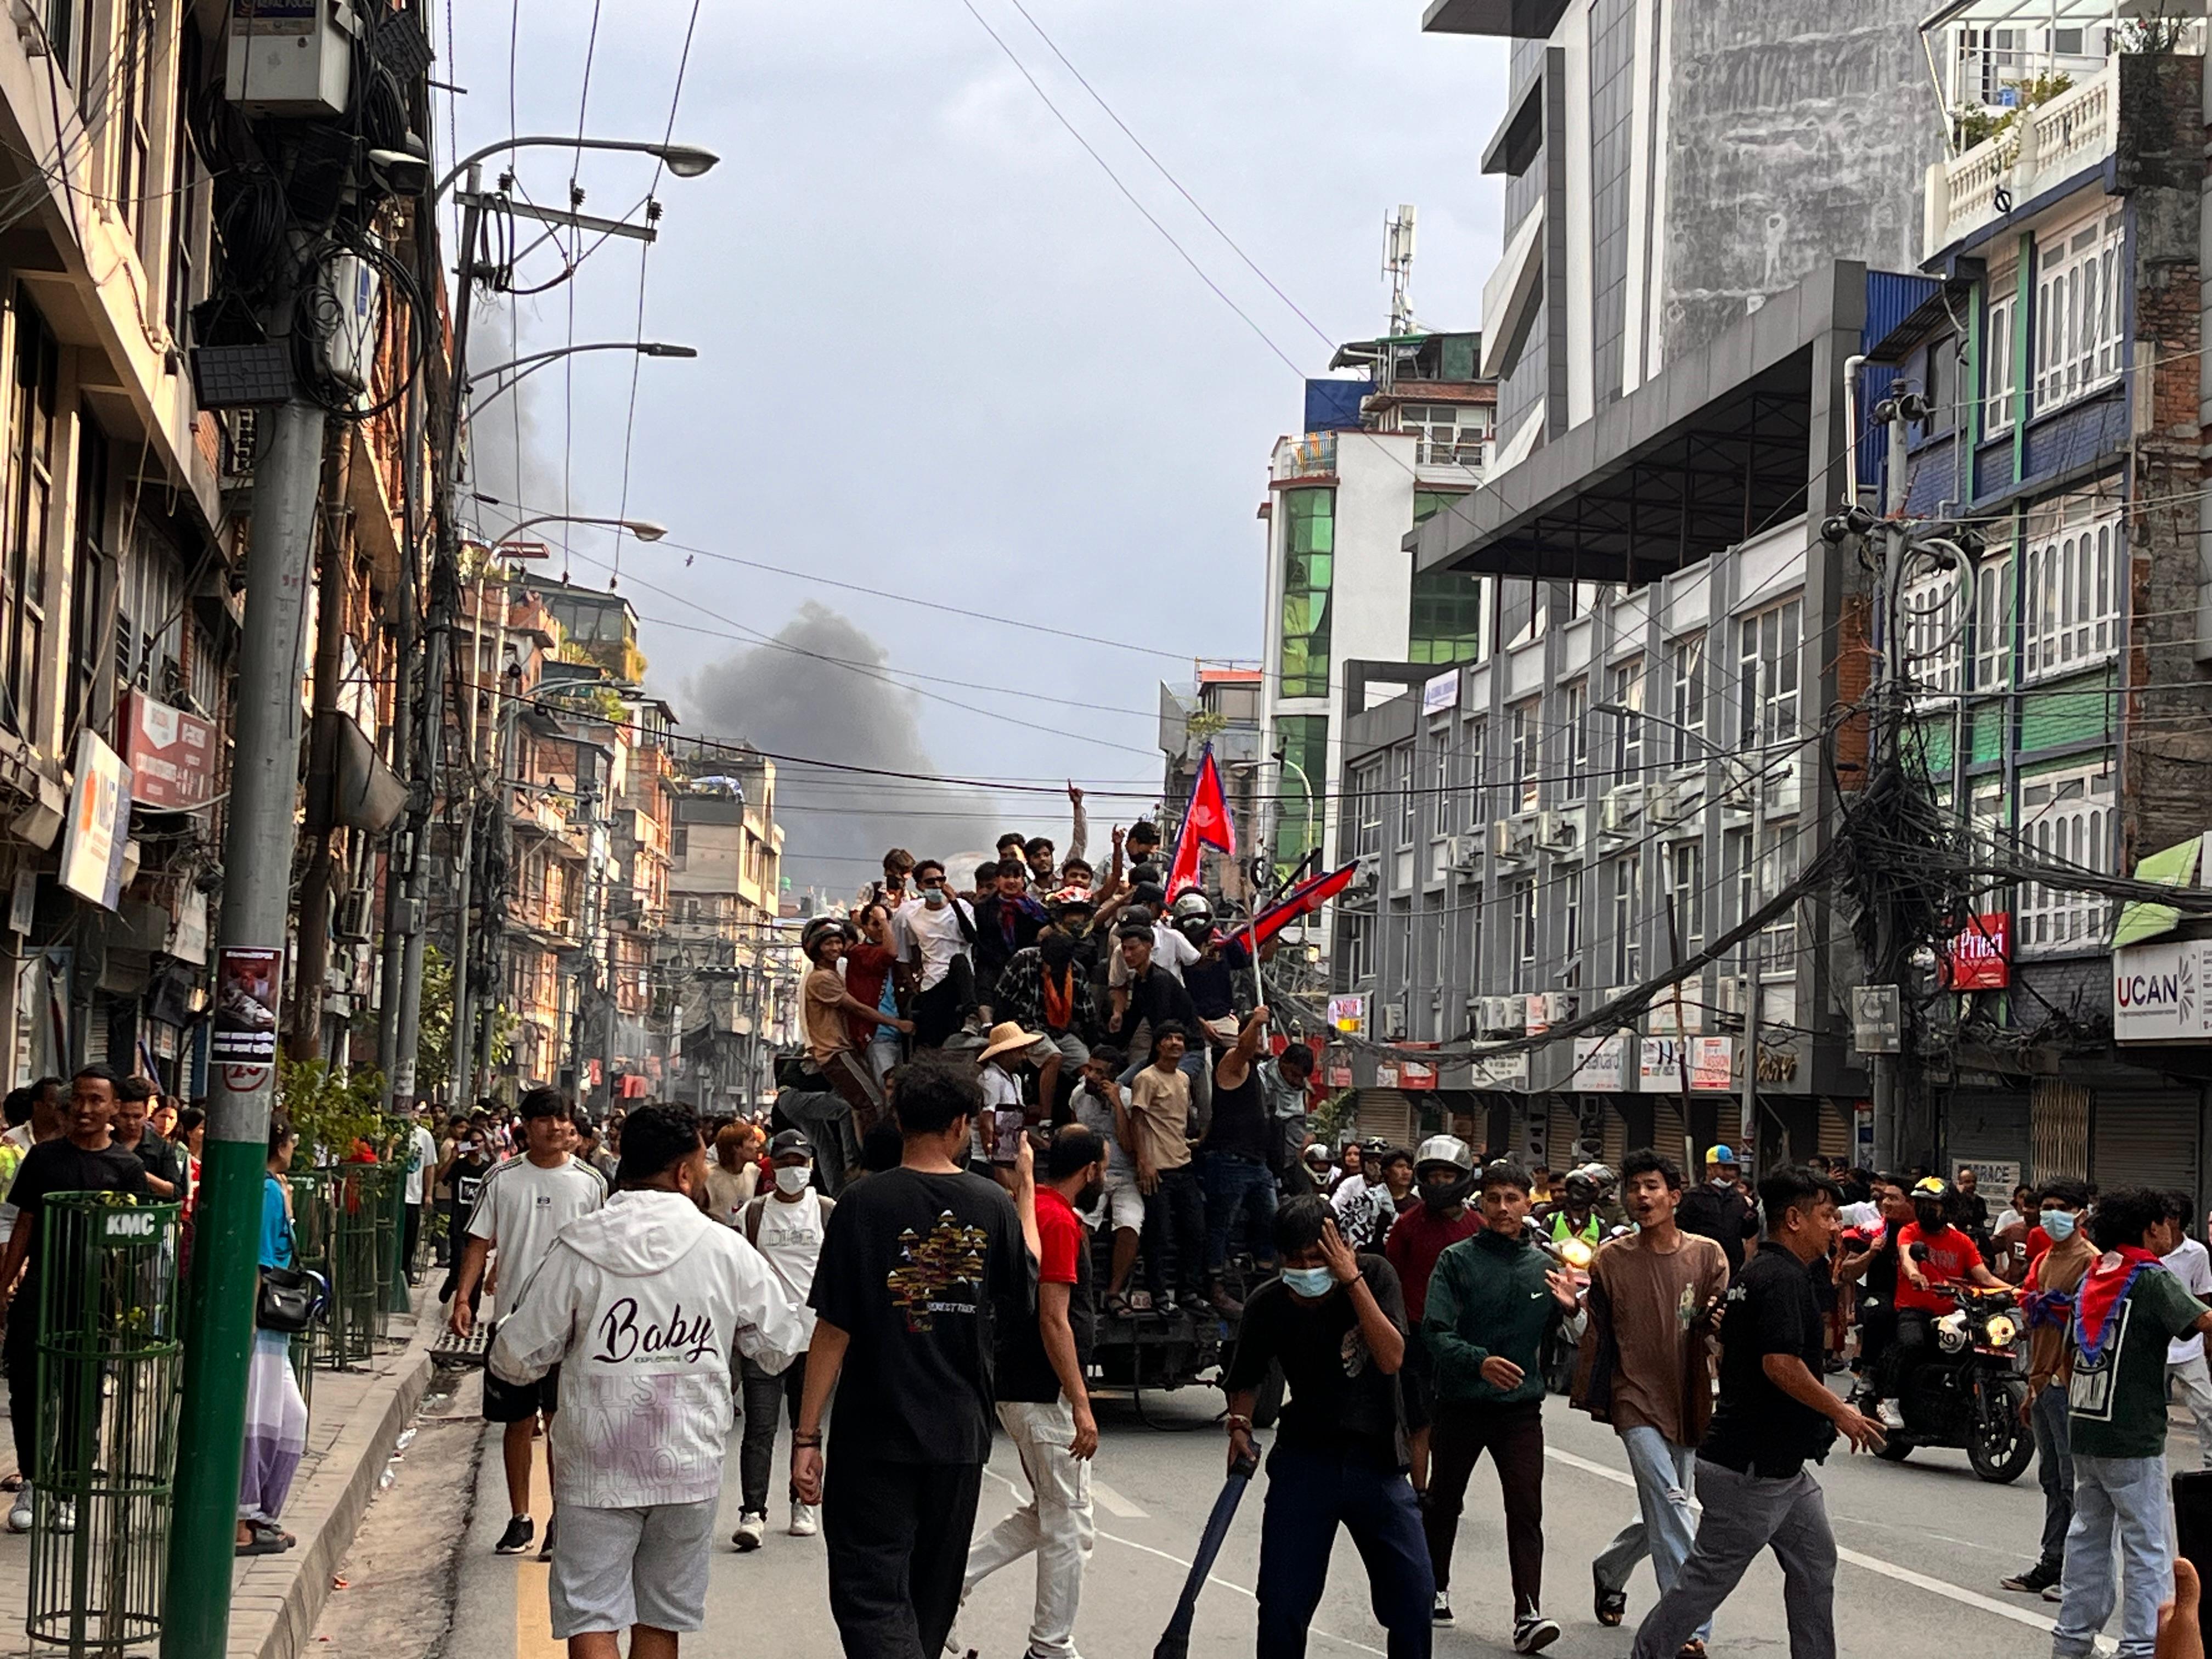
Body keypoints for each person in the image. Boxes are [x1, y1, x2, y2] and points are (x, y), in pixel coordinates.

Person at [488, 1102, 808, 1659]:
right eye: (702, 1166)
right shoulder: (724, 1249)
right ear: (684, 1173)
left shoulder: (578, 1245)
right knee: (660, 1618)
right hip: (688, 1463)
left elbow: (515, 1358)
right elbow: (780, 1344)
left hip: (596, 1464)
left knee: (591, 1613)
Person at [791, 1052, 1040, 1659]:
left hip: (873, 1434)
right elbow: (1027, 1284)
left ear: (899, 1120)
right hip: (958, 1435)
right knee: (931, 1596)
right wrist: (1027, 1192)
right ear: (960, 1125)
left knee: (870, 1594)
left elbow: (833, 1329)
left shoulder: (861, 1203)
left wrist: (806, 1436)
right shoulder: (992, 1204)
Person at [1628, 1167, 1884, 1659]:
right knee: (1706, 1580)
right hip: (1749, 1470)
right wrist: (1842, 1412)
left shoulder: (1764, 1273)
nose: (1836, 1227)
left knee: (1815, 1562)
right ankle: (1650, 1652)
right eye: (1827, 1216)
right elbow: (1779, 1364)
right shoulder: (1780, 1278)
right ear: (1794, 1220)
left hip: (1782, 1470)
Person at [1222, 1195, 1430, 1659]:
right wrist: (1239, 1424)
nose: (1307, 1270)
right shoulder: (1268, 1303)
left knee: (1414, 1599)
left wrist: (1350, 1279)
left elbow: (1391, 1357)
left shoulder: (1375, 1276)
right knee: (1281, 1604)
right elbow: (1245, 1377)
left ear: (1342, 1247)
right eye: (1295, 1261)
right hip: (1304, 1462)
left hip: (1377, 1464)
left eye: (1317, 1259)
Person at [950, 1125, 1103, 1659]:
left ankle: (949, 1585)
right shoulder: (1056, 1220)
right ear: (1091, 1171)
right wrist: (1081, 1403)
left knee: (1048, 1511)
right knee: (1070, 1523)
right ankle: (1049, 1646)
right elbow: (1054, 1319)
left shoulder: (1034, 1209)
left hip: (1021, 1386)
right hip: (1043, 1390)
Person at [1422, 1159, 1581, 1647]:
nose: (1503, 1208)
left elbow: (1576, 1334)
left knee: (1526, 1509)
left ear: (1528, 1203)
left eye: (1513, 1198)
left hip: (1519, 1412)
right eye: (1494, 1199)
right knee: (1444, 1500)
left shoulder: (1544, 1266)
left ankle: (1527, 1613)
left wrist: (1572, 1309)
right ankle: (1433, 1588)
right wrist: (1479, 1362)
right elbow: (1435, 1332)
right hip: (1460, 1404)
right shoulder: (1456, 1261)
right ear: (1481, 1204)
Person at [1576, 1149, 1729, 1652]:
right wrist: (1569, 1311)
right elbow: (1592, 1328)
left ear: (1674, 1196)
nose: (1641, 1196)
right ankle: (1689, 1627)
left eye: (1652, 1187)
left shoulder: (1708, 1256)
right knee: (1669, 1501)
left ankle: (1611, 1568)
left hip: (1687, 1396)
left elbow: (1719, 1326)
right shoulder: (1610, 1260)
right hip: (1633, 1397)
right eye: (1634, 1188)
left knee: (1667, 1505)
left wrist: (1720, 1327)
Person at [2051, 1186, 2212, 1659]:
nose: (2169, 1233)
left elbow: (2068, 1352)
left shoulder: (2094, 1274)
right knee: (2147, 1545)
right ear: (2150, 1228)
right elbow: (2202, 1321)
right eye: (2164, 1224)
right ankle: (2141, 1646)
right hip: (2132, 1432)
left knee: (2088, 1536)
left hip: (2087, 1426)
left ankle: (2072, 1640)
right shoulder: (2150, 1277)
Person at [450, 1086, 610, 1559]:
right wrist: (464, 1299)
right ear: (527, 1126)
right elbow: (479, 1241)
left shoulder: (591, 1182)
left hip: (572, 1325)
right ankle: (520, 1518)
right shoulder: (502, 1178)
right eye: (545, 1119)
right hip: (514, 1324)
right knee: (517, 1423)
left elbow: (605, 1249)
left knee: (562, 1425)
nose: (555, 1127)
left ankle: (562, 1519)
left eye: (562, 1119)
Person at [0, 1065, 150, 1532]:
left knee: (81, 1395)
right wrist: (4, 1286)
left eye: (96, 1100)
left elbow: (136, 1241)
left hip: (94, 1300)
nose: (85, 1109)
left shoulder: (127, 1168)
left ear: (114, 1108)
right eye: (79, 1099)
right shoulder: (44, 1158)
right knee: (27, 1387)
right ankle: (33, 1479)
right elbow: (25, 1223)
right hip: (40, 1291)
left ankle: (68, 1489)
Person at [730, 1130, 835, 1550]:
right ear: (773, 1166)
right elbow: (738, 1272)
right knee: (759, 1429)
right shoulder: (753, 1214)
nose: (794, 1170)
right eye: (786, 1162)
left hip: (814, 1340)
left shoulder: (826, 1212)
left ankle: (802, 1503)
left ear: (811, 1166)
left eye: (800, 1163)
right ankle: (752, 1513)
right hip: (766, 1338)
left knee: (806, 1428)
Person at [2003, 1179, 2094, 1598]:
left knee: (2073, 1483)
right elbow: (2034, 1322)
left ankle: (2074, 1573)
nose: (2051, 1214)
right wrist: (2032, 1385)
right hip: (2041, 1382)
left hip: (2068, 1384)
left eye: (2060, 1207)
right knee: (2052, 1480)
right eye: (2047, 1207)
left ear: (2081, 1213)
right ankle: (2051, 1563)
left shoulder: (2090, 1262)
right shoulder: (2043, 1260)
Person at [1385, 1135, 1482, 1499]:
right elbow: (1392, 1277)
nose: (1439, 1183)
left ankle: (1446, 1491)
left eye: (1447, 1175)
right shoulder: (1407, 1225)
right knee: (1419, 1419)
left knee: (1452, 1420)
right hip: (1415, 1334)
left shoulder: (1478, 1228)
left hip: (1461, 1339)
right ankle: (1421, 1492)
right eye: (1433, 1176)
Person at [238, 1118, 311, 1556]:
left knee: (291, 1418)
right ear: (280, 1144)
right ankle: (242, 1522)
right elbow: (260, 1260)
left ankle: (261, 1514)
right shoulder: (266, 1191)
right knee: (259, 1421)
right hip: (261, 1325)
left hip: (271, 1330)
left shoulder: (275, 1189)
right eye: (292, 1140)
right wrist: (250, 1323)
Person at [1881, 1175, 2005, 1427]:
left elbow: (1985, 1277)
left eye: (1933, 1205)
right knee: (1912, 1344)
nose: (1926, 1210)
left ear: (1948, 1208)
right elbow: (1907, 1258)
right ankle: (1889, 1400)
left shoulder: (1962, 1241)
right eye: (1922, 1205)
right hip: (1914, 1310)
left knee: (1983, 1347)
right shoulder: (1910, 1232)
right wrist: (1915, 1275)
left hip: (1953, 1313)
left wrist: (2018, 1292)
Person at [1198, 1006, 1279, 1317]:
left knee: (1270, 1220)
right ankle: (1215, 1285)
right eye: (1258, 1035)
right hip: (1230, 1161)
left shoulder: (1257, 1072)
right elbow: (1243, 1049)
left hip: (1257, 1163)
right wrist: (1256, 1021)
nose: (1262, 1042)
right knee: (1221, 1225)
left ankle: (1262, 1280)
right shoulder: (1232, 1062)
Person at [801, 917, 909, 1137]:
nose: (835, 948)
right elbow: (857, 1009)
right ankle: (875, 1153)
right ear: (816, 948)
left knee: (865, 1106)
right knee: (874, 1103)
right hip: (835, 1052)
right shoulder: (822, 979)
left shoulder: (834, 974)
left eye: (838, 942)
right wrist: (896, 1023)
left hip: (842, 1050)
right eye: (828, 944)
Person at [1129, 1020, 1205, 1318]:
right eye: (1169, 1038)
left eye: (1180, 1039)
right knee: (1158, 1235)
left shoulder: (1184, 1079)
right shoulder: (1146, 1078)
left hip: (1183, 1164)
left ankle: (1188, 1293)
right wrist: (1144, 1161)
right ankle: (1159, 1296)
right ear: (1158, 1044)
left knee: (1195, 1231)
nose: (1175, 1043)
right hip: (1157, 1170)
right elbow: (1137, 1120)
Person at [1069, 1046, 1144, 1317]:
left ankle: (1114, 1292)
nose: (1090, 1076)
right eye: (1090, 1069)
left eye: (1099, 1072)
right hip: (1092, 1173)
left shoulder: (1127, 1099)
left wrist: (1117, 1106)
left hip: (1124, 1174)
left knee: (1130, 1224)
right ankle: (1084, 1287)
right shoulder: (1079, 1095)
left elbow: (1129, 1145)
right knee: (1080, 1222)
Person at [994, 929, 1096, 1112]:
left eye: (1056, 966)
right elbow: (1003, 998)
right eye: (1048, 963)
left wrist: (1093, 1049)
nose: (1050, 969)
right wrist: (1004, 1037)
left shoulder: (1077, 973)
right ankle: (1045, 1118)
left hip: (1061, 1032)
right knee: (1053, 1057)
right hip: (1027, 1027)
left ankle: (1084, 1114)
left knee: (1088, 1066)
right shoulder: (1023, 960)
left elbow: (1087, 1016)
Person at [893, 859, 980, 1046]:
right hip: (933, 985)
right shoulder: (912, 914)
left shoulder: (962, 907)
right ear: (920, 886)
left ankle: (972, 1016)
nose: (937, 885)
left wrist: (954, 902)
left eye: (941, 880)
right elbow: (904, 955)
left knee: (959, 960)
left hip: (963, 982)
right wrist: (913, 985)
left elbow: (972, 938)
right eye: (930, 882)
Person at [2162, 1192, 2212, 1472]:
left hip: (2187, 1346)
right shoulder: (2147, 1251)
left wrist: (2207, 1338)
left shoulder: (2197, 1253)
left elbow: (2203, 1297)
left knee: (2207, 1407)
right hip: (2153, 1346)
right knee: (2149, 1413)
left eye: (2171, 1217)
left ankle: (2211, 1467)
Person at [1674, 1146, 1758, 1277]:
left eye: (1732, 1169)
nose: (1730, 1174)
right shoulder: (1693, 1197)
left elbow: (1747, 1232)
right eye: (1725, 1168)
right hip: (1700, 1270)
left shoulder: (1737, 1199)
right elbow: (1679, 1232)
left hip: (1731, 1270)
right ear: (1710, 1169)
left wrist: (1751, 1216)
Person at [977, 1020, 1040, 1187]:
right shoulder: (990, 1078)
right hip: (989, 1163)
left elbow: (1014, 1125)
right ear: (1004, 1053)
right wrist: (999, 1167)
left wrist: (1042, 1144)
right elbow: (987, 1123)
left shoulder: (1016, 1080)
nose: (1023, 1057)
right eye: (1019, 1052)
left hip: (1010, 1158)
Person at [112, 1077, 182, 1200]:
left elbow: (175, 1192)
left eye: (137, 1116)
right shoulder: (104, 1141)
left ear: (146, 1114)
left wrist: (141, 1175)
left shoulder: (161, 1148)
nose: (131, 1123)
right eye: (125, 1116)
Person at [403, 1104, 437, 1283]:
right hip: (397, 1197)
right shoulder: (393, 1133)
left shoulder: (424, 1136)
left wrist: (428, 1194)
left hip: (413, 1197)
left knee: (410, 1239)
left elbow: (429, 1166)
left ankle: (406, 1272)